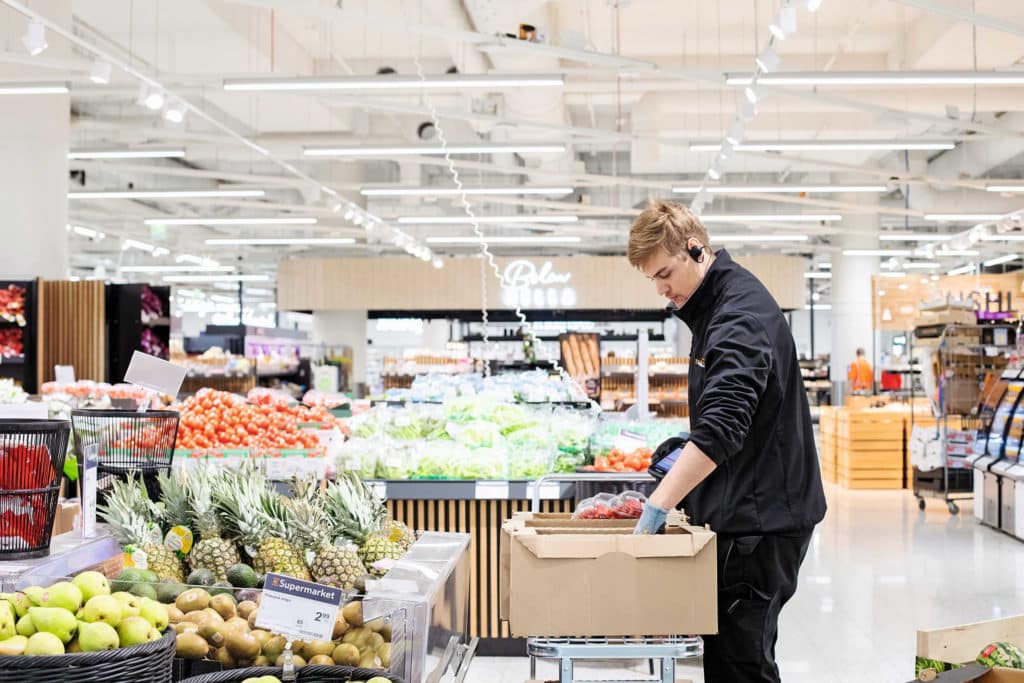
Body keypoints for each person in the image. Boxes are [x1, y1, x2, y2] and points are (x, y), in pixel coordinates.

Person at [628, 201, 826, 683]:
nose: (661, 289)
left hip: (760, 525)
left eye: (666, 273)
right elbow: (740, 414)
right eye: (651, 279)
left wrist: (658, 505)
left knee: (742, 664)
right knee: (728, 659)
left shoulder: (738, 317)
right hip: (750, 510)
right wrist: (682, 447)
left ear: (696, 249)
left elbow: (721, 430)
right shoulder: (717, 305)